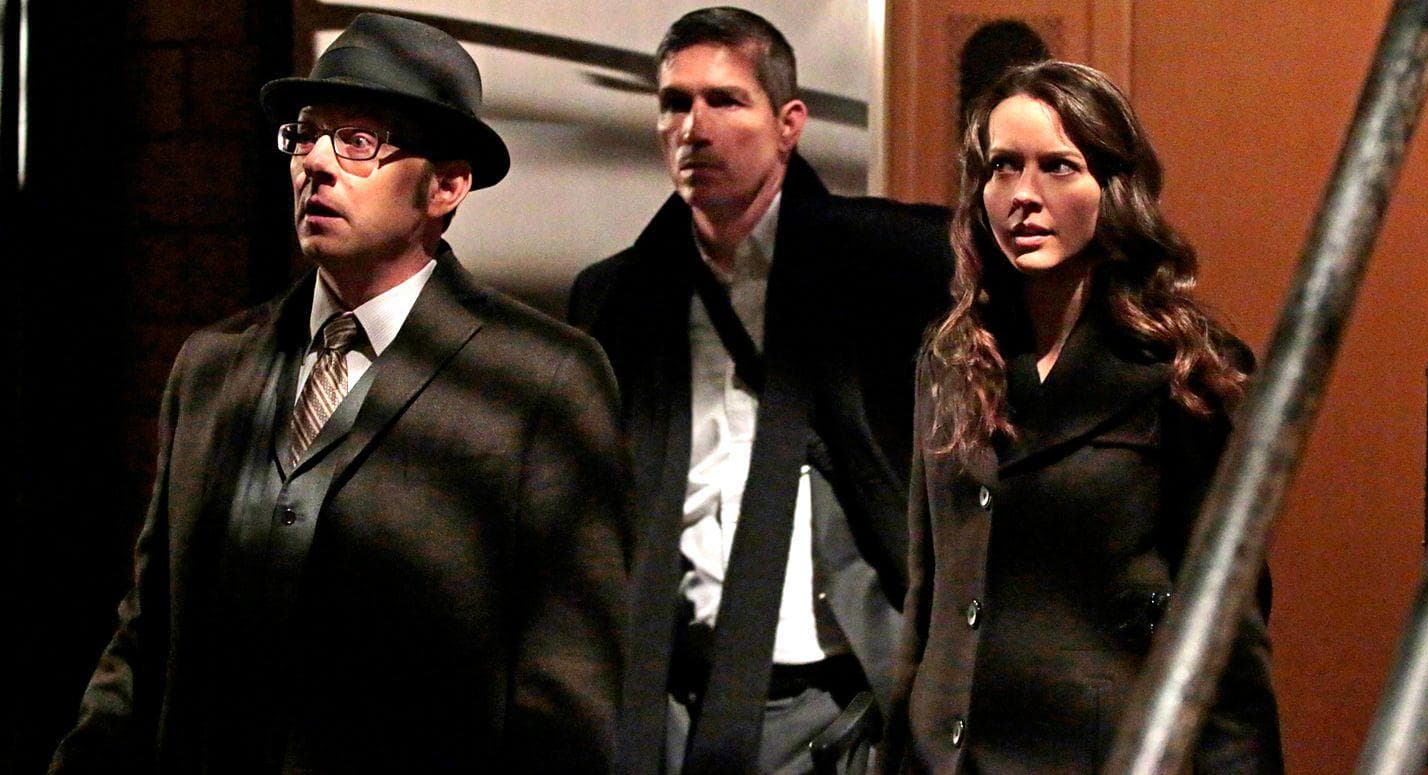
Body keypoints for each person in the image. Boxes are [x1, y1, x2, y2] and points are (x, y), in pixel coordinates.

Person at [49, 13, 629, 773]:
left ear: (447, 185)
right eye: (306, 135)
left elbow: (566, 689)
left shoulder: (540, 378)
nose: (316, 164)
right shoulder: (214, 366)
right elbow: (149, 627)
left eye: (357, 141)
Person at [568, 7, 952, 774]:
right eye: (674, 103)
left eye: (725, 100)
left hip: (841, 698)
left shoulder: (893, 263)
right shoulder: (615, 298)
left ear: (788, 124)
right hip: (670, 695)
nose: (693, 127)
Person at [882, 61, 1283, 773]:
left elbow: (1226, 625)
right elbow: (930, 589)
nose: (1023, 196)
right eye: (1002, 167)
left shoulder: (1187, 370)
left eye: (1058, 167)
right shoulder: (952, 359)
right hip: (952, 753)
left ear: (1113, 187)